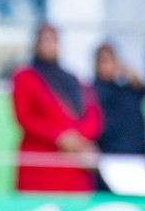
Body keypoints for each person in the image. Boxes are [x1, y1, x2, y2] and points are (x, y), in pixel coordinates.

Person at [12, 23, 101, 192]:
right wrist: (58, 136)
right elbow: (24, 117)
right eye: (44, 41)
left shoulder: (73, 79)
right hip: (42, 164)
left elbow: (92, 113)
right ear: (36, 44)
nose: (49, 45)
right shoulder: (25, 77)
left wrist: (79, 139)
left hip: (75, 165)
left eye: (53, 40)